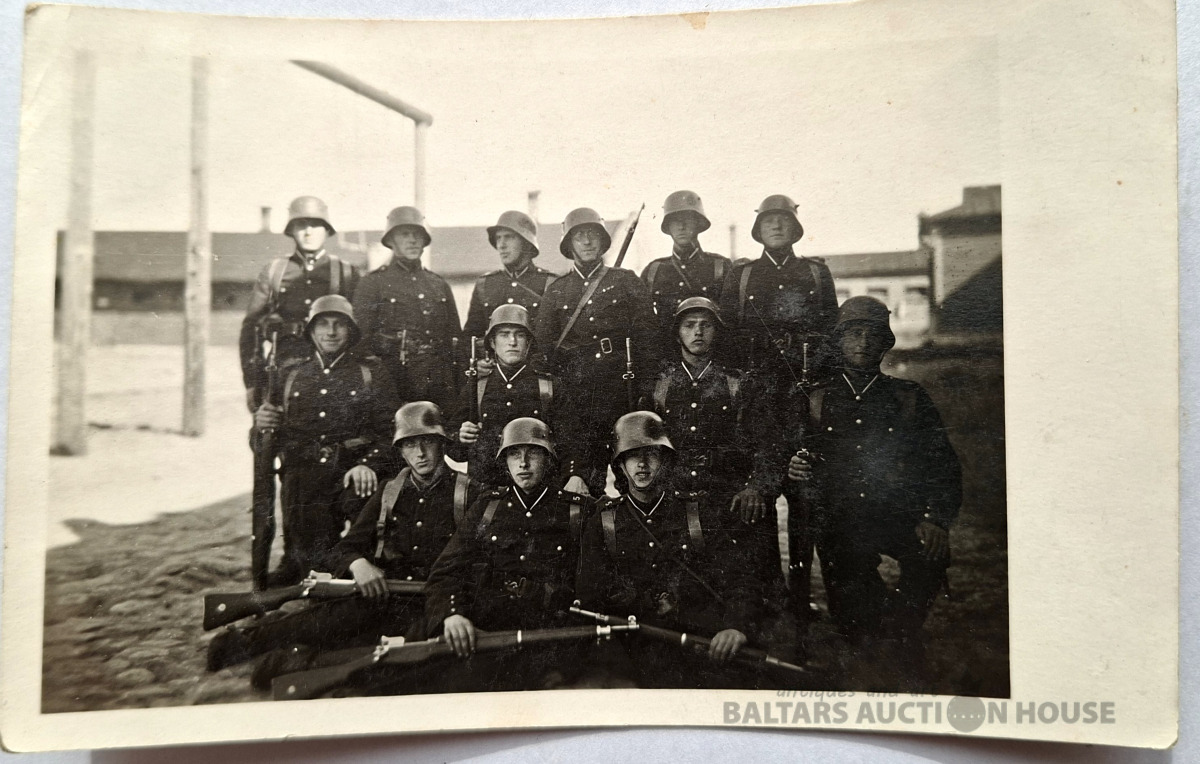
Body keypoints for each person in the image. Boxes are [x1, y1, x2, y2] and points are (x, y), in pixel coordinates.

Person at [205, 402, 478, 685]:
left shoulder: (467, 494)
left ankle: (297, 663)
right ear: (399, 450)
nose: (419, 453)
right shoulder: (389, 491)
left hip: (432, 607)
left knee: (390, 661)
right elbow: (344, 549)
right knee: (321, 622)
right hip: (382, 596)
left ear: (442, 443)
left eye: (427, 442)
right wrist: (358, 564)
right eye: (409, 444)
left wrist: (450, 609)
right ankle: (245, 641)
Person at [789, 296, 961, 681]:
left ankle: (901, 629)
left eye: (872, 334)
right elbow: (790, 455)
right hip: (841, 525)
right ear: (839, 341)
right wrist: (794, 466)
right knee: (855, 630)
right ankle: (884, 625)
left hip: (898, 515)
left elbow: (943, 464)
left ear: (885, 343)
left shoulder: (909, 397)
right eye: (853, 333)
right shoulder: (814, 398)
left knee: (930, 557)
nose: (863, 342)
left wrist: (935, 518)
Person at [576, 411, 769, 689]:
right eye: (632, 456)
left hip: (699, 649)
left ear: (665, 460)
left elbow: (740, 579)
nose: (642, 465)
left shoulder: (696, 514)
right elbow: (590, 596)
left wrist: (735, 627)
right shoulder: (605, 521)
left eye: (651, 455)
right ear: (620, 465)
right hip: (632, 652)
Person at [416, 418, 593, 692]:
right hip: (490, 637)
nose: (523, 463)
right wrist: (451, 615)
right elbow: (445, 571)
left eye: (533, 453)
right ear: (505, 461)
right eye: (514, 454)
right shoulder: (488, 507)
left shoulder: (576, 511)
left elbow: (592, 588)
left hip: (552, 642)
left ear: (548, 458)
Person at [246, 295, 397, 587]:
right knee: (308, 560)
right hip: (304, 479)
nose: (331, 332)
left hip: (352, 475)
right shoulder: (291, 374)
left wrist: (368, 465)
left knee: (363, 547)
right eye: (323, 324)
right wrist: (260, 426)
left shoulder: (370, 372)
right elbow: (264, 444)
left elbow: (390, 432)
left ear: (350, 330)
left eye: (339, 324)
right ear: (311, 330)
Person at [532, 207, 658, 496]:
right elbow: (542, 350)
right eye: (579, 236)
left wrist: (644, 392)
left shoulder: (626, 281)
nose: (587, 242)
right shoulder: (557, 290)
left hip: (622, 393)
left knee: (635, 481)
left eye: (592, 235)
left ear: (602, 241)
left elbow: (649, 341)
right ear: (569, 244)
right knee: (583, 484)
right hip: (577, 402)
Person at [239, 196, 359, 413]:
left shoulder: (346, 272)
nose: (308, 232)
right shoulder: (274, 271)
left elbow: (358, 328)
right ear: (291, 230)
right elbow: (251, 330)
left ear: (327, 230)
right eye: (301, 225)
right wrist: (252, 383)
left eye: (315, 225)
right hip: (283, 370)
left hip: (331, 371)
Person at [716, 194, 838, 388]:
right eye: (769, 221)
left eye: (784, 220)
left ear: (795, 229)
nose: (776, 226)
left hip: (805, 380)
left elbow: (831, 329)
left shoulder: (816, 272)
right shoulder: (741, 274)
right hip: (754, 382)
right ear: (759, 230)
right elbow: (726, 333)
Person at [352, 206, 462, 410]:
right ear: (391, 240)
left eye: (417, 235)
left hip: (438, 385)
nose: (412, 240)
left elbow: (455, 340)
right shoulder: (373, 283)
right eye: (404, 234)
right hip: (393, 385)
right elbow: (361, 343)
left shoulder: (438, 284)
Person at [448, 305, 558, 487]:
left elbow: (570, 442)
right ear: (492, 342)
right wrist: (461, 437)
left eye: (519, 335)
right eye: (504, 335)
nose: (512, 342)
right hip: (487, 489)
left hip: (535, 489)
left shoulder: (548, 387)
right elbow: (455, 451)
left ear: (529, 343)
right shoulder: (476, 386)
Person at [640, 190, 731, 341]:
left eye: (687, 219)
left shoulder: (720, 267)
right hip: (666, 351)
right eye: (675, 221)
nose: (681, 226)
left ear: (698, 224)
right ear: (668, 227)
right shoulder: (654, 271)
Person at [462, 211, 557, 342]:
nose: (501, 245)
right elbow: (470, 338)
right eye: (498, 238)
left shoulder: (550, 283)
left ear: (526, 242)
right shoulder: (485, 284)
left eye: (509, 237)